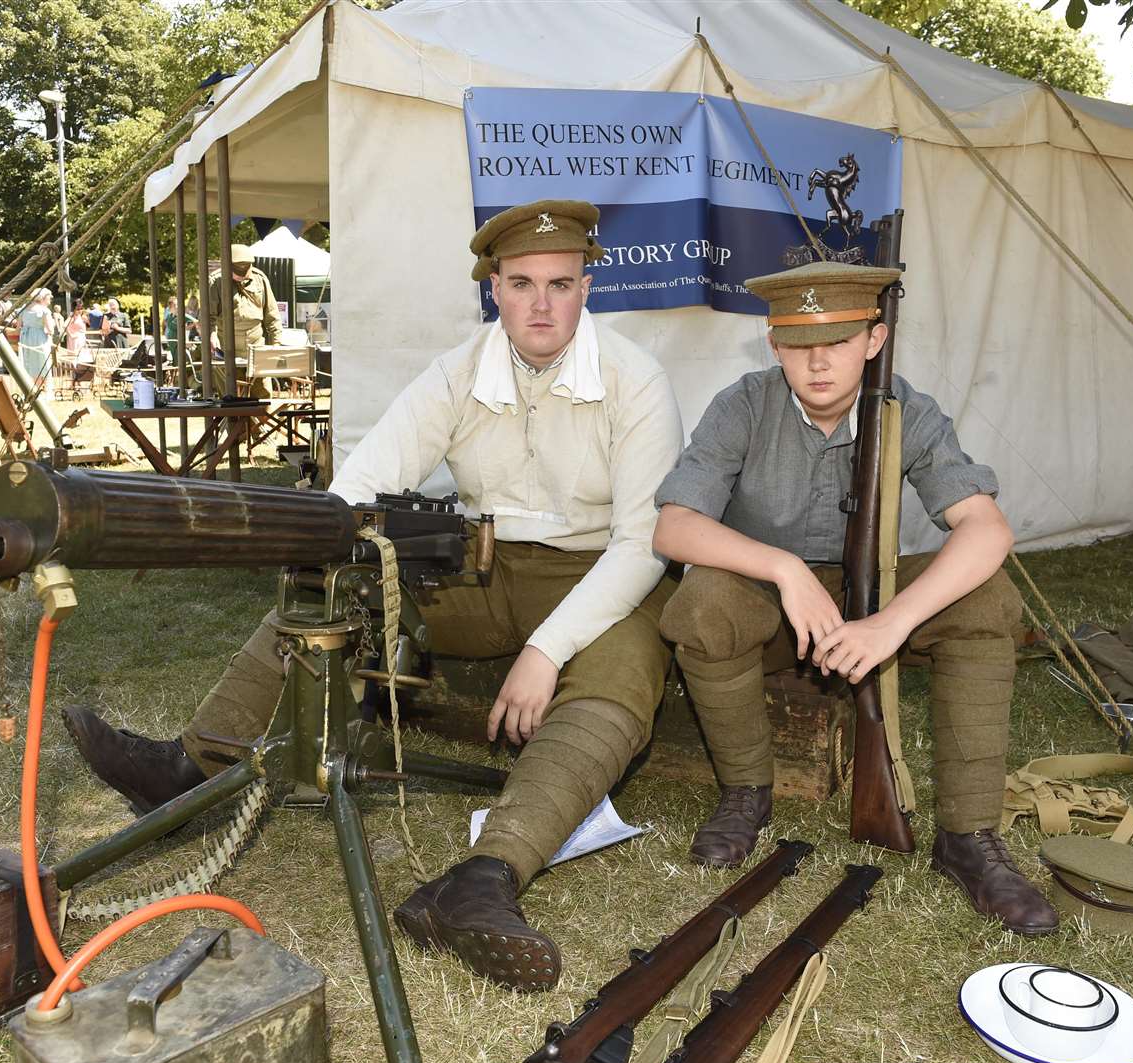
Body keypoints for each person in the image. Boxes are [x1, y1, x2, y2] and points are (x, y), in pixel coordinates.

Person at [62, 200, 683, 991]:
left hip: (598, 576)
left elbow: (639, 545)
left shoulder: (636, 381)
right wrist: (321, 545)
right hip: (480, 567)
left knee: (625, 670)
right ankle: (189, 769)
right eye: (520, 282)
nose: (539, 303)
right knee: (335, 594)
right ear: (492, 289)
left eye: (559, 284)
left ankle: (481, 882)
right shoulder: (457, 374)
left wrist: (545, 652)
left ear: (586, 288)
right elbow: (359, 486)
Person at [651, 262, 1059, 937]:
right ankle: (746, 792)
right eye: (797, 345)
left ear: (874, 339)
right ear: (773, 345)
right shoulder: (743, 404)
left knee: (986, 601)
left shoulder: (907, 410)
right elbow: (674, 526)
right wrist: (784, 569)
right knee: (702, 604)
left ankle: (967, 838)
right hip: (770, 601)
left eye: (837, 342)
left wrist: (891, 623)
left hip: (877, 593)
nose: (816, 363)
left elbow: (986, 528)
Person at [206, 244, 281, 361]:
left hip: (256, 349)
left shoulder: (260, 279)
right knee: (226, 379)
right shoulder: (215, 282)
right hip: (225, 350)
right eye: (237, 271)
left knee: (262, 380)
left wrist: (276, 344)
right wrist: (212, 334)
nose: (242, 275)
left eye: (245, 270)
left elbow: (272, 316)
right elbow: (208, 317)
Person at [18, 288, 55, 382]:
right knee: (42, 363)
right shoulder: (44, 311)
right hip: (39, 339)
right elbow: (50, 330)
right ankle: (45, 389)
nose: (50, 301)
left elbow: (18, 327)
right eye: (49, 298)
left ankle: (31, 386)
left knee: (29, 363)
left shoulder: (24, 309)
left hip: (25, 338)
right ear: (43, 298)